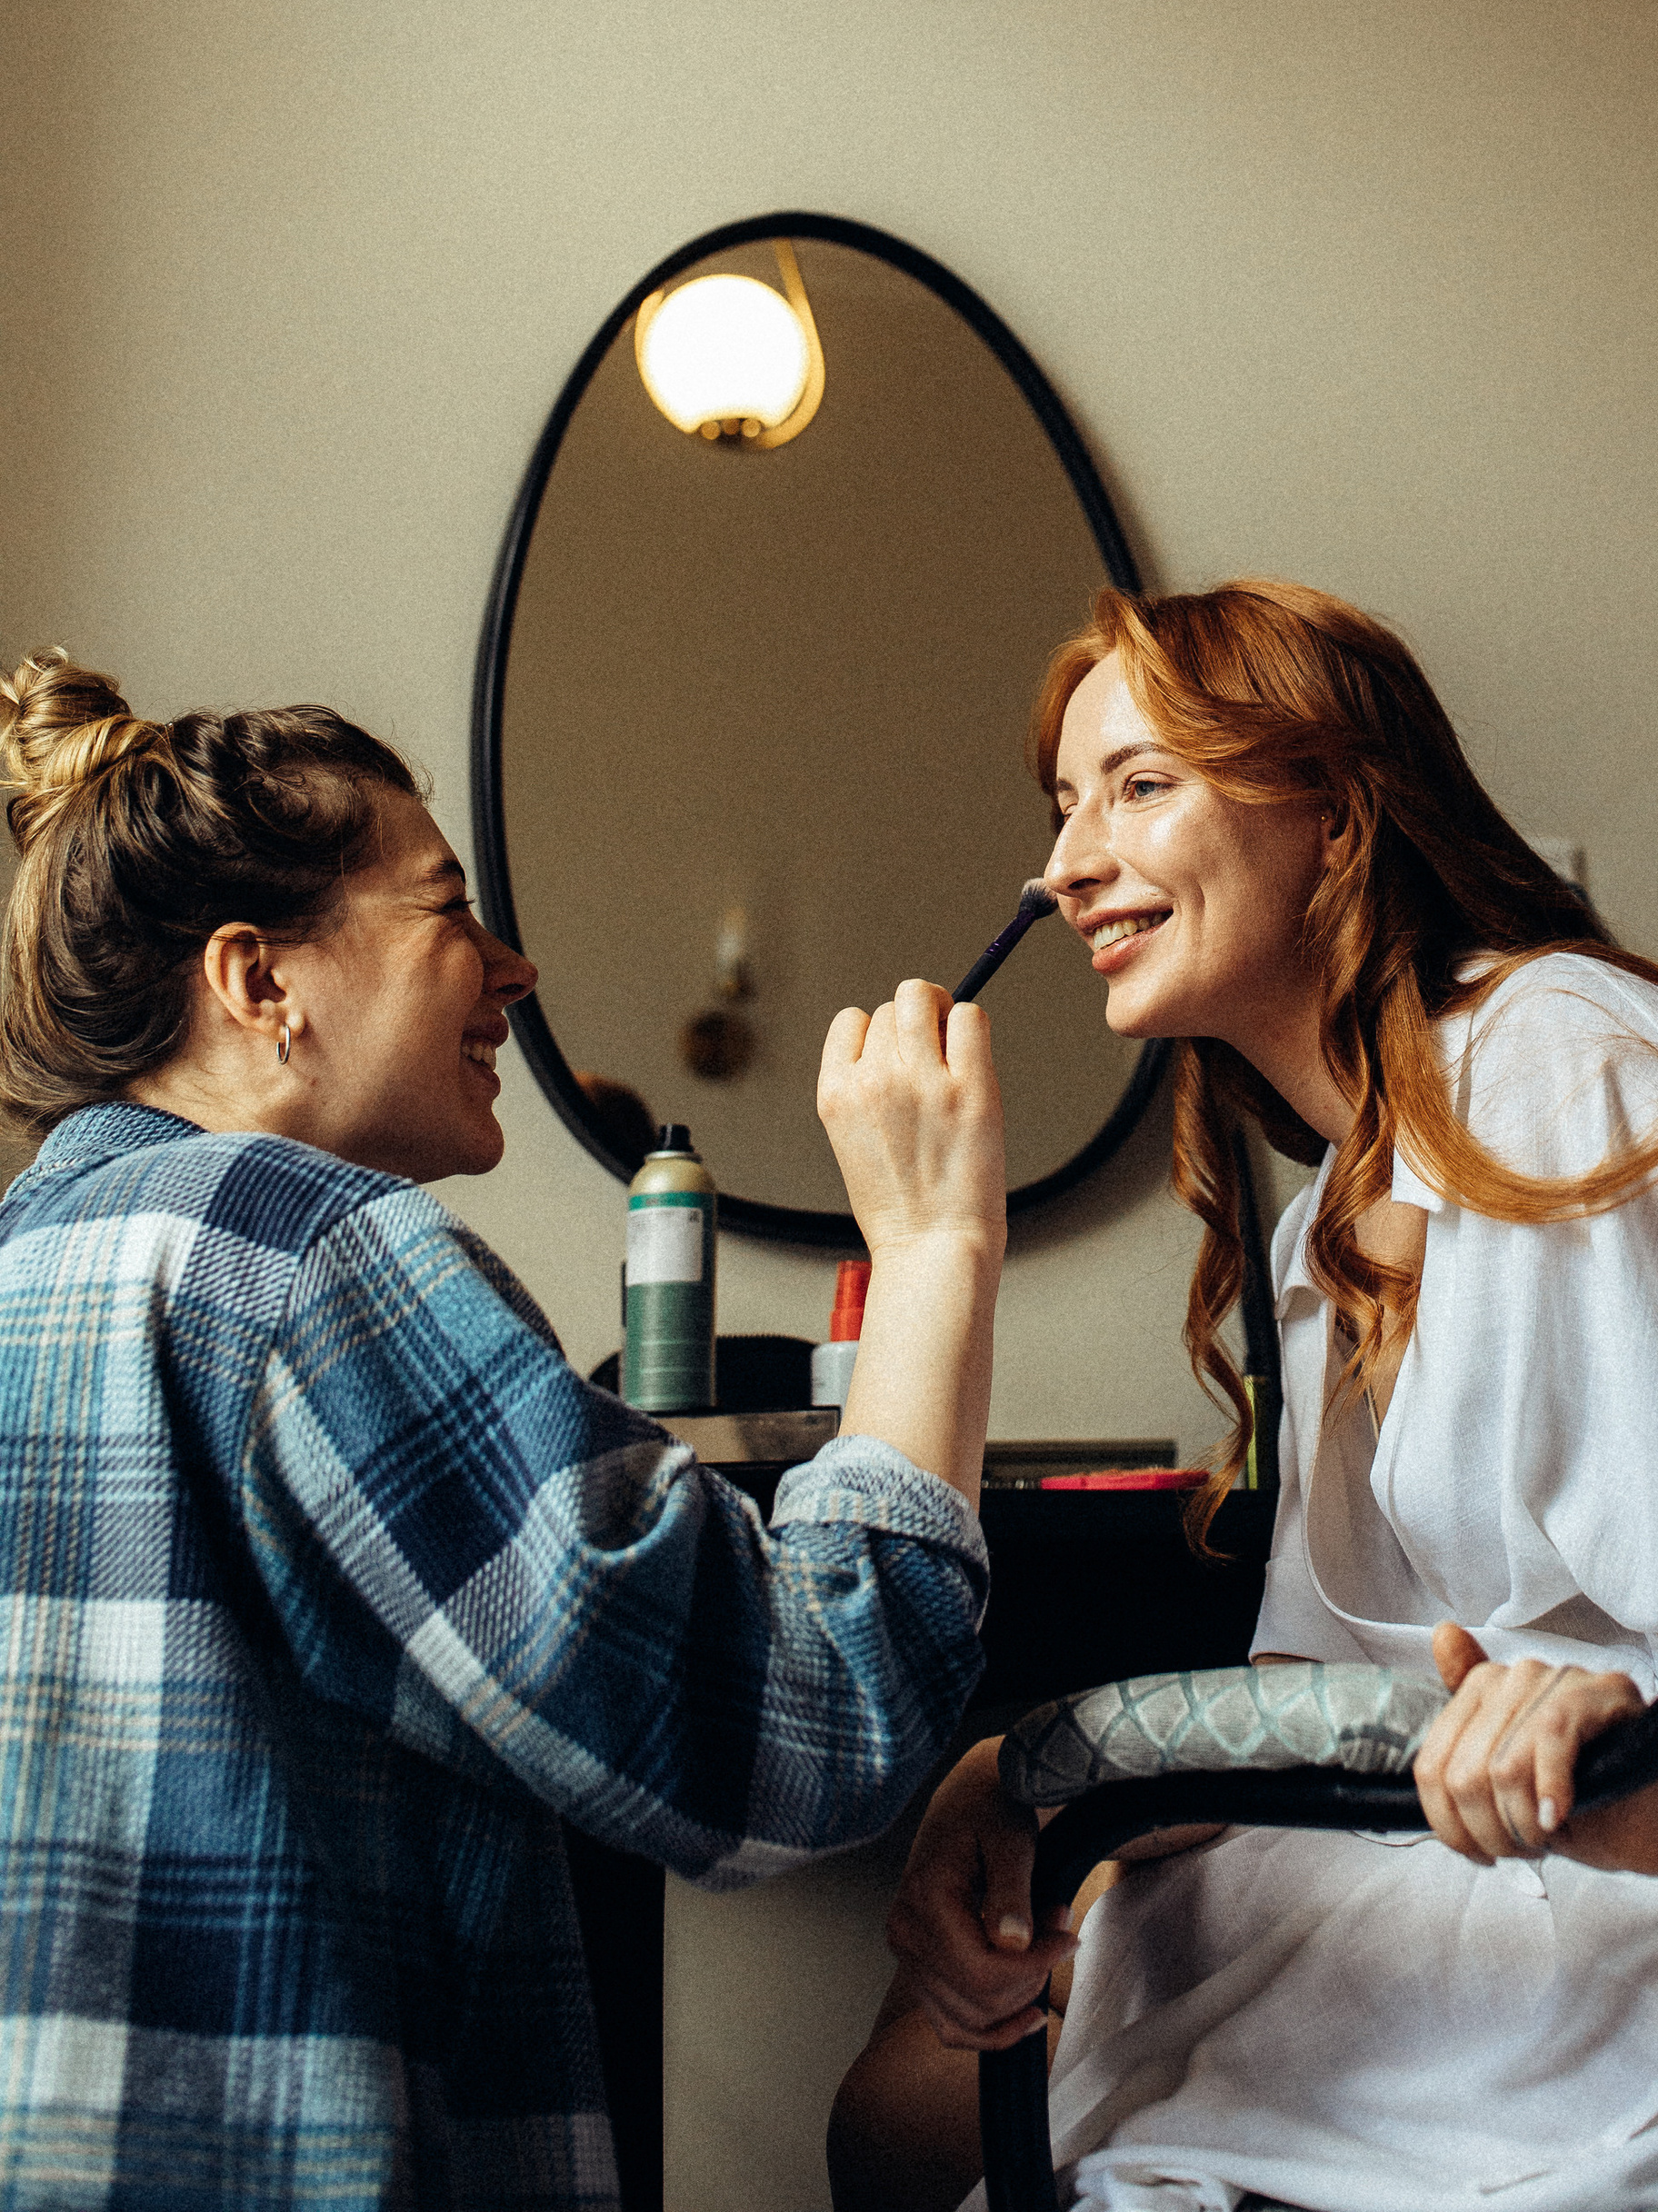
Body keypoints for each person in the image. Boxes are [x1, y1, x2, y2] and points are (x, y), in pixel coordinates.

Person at [833, 581, 1658, 2212]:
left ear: (1338, 819)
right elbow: (1322, 1695)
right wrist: (1006, 1785)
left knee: (929, 2116)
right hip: (1512, 1853)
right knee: (910, 2092)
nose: (1063, 866)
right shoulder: (1322, 1225)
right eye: (1064, 808)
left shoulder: (1568, 1053)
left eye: (1138, 785)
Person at [0, 650, 1005, 2211]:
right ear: (260, 981)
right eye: (448, 908)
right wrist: (936, 1240)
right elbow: (804, 1728)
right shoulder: (312, 1252)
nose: (515, 969)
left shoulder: (31, 1260)